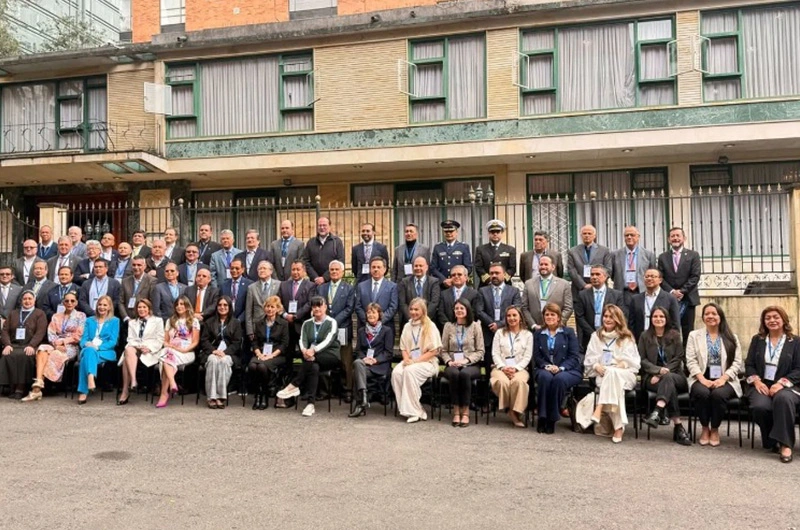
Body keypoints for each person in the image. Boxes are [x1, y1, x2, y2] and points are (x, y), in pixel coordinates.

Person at [744, 306, 800, 463]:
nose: (772, 320)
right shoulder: (758, 340)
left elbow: (798, 368)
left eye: (776, 317)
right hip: (761, 383)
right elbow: (749, 364)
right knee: (760, 406)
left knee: (783, 400)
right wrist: (756, 380)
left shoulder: (795, 341)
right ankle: (771, 440)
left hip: (788, 384)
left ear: (783, 320)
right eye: (768, 318)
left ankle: (785, 445)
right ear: (763, 321)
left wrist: (782, 383)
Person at [685, 303, 743, 447]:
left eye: (714, 313)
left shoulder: (731, 337)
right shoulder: (694, 335)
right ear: (703, 317)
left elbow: (737, 362)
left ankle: (715, 429)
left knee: (718, 395)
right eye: (707, 314)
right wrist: (702, 379)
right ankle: (705, 428)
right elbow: (690, 360)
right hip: (701, 376)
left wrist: (724, 378)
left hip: (725, 379)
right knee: (702, 393)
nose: (710, 316)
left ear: (720, 316)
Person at [581, 304, 640, 443]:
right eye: (605, 316)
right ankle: (619, 428)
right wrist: (596, 365)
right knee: (613, 382)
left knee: (613, 373)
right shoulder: (596, 336)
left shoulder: (626, 336)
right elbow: (589, 359)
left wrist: (621, 364)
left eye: (611, 317)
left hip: (625, 374)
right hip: (603, 375)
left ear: (618, 319)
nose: (607, 319)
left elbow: (634, 362)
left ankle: (600, 406)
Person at [276, 296, 340, 418]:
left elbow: (329, 340)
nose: (317, 309)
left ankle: (294, 384)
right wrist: (304, 350)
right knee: (313, 367)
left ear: (325, 307)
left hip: (330, 355)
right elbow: (302, 340)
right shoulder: (307, 323)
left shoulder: (332, 322)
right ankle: (310, 404)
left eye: (319, 306)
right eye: (314, 306)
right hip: (311, 357)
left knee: (312, 361)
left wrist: (313, 351)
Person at [639, 306, 691, 446]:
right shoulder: (645, 336)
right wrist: (657, 371)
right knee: (669, 385)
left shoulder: (675, 335)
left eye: (661, 316)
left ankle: (657, 411)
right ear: (651, 319)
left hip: (675, 375)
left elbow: (679, 357)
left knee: (668, 379)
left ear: (666, 319)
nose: (658, 319)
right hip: (652, 377)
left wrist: (663, 372)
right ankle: (678, 427)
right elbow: (642, 360)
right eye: (655, 316)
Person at [21, 292, 86, 402]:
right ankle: (39, 383)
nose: (69, 303)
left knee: (55, 354)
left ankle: (36, 390)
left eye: (72, 301)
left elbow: (79, 335)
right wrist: (56, 343)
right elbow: (51, 332)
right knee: (42, 349)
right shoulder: (56, 316)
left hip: (71, 346)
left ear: (76, 303)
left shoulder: (81, 316)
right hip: (55, 344)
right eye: (66, 301)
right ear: (63, 303)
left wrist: (63, 342)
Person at [533, 303, 582, 434]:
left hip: (568, 370)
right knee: (545, 377)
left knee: (559, 379)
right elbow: (536, 356)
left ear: (559, 317)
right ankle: (542, 417)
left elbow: (574, 356)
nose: (549, 317)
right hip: (545, 368)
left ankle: (552, 418)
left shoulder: (568, 333)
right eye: (547, 314)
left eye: (552, 314)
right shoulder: (538, 333)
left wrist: (561, 367)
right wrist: (546, 366)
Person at [392, 297, 442, 423]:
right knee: (396, 373)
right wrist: (406, 359)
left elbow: (434, 351)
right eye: (411, 309)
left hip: (427, 362)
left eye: (416, 309)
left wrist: (415, 361)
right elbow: (403, 347)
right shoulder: (407, 326)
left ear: (423, 311)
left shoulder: (430, 326)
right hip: (410, 361)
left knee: (409, 371)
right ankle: (405, 409)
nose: (413, 312)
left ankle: (415, 411)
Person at [150, 296, 200, 408]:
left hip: (186, 352)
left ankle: (164, 393)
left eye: (182, 304)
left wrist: (184, 349)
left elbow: (195, 341)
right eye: (177, 304)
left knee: (165, 358)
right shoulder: (170, 320)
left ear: (187, 306)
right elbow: (165, 341)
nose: (179, 306)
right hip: (171, 351)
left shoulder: (194, 321)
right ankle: (172, 384)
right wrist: (172, 347)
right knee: (167, 355)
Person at [440, 299, 484, 427]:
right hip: (452, 363)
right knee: (454, 374)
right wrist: (448, 361)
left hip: (471, 364)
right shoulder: (448, 326)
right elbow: (443, 349)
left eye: (462, 308)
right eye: (456, 308)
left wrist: (467, 360)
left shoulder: (475, 326)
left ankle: (465, 411)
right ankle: (456, 411)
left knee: (464, 374)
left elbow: (480, 350)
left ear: (467, 310)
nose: (459, 310)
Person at [317, 260, 355, 401]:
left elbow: (349, 308)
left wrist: (334, 321)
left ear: (342, 272)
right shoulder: (321, 288)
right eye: (331, 269)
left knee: (345, 360)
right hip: (324, 329)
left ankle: (347, 390)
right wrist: (327, 322)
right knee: (324, 357)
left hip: (342, 328)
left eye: (336, 270)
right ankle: (325, 390)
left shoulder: (349, 288)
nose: (334, 272)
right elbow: (317, 307)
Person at [490, 305, 533, 428]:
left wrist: (516, 368)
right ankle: (512, 412)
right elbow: (495, 353)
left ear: (520, 318)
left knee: (519, 382)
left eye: (514, 315)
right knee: (502, 382)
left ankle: (514, 411)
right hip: (500, 367)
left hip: (520, 368)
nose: (511, 318)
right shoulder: (499, 333)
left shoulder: (528, 335)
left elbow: (527, 356)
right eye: (509, 316)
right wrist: (503, 367)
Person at [0, 291, 48, 399]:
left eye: (30, 299)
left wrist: (32, 345)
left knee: (24, 355)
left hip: (29, 345)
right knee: (8, 355)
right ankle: (11, 387)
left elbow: (40, 332)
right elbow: (5, 331)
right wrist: (7, 344)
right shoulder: (13, 313)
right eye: (25, 299)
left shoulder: (40, 314)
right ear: (21, 301)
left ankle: (20, 388)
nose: (27, 301)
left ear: (34, 300)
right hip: (14, 344)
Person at [349, 303, 394, 418]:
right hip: (365, 364)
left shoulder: (387, 330)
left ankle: (360, 402)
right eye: (368, 312)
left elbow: (388, 353)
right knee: (358, 362)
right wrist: (364, 358)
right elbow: (358, 350)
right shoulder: (361, 331)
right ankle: (363, 397)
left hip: (380, 366)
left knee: (357, 370)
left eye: (373, 312)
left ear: (379, 315)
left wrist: (375, 360)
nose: (370, 315)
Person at [199, 296, 244, 409]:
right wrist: (213, 351)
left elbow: (237, 342)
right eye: (220, 305)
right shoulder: (209, 322)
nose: (222, 307)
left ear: (229, 307)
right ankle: (211, 397)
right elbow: (204, 340)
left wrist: (226, 352)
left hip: (229, 354)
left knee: (224, 362)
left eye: (225, 305)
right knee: (213, 361)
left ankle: (221, 397)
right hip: (211, 352)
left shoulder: (236, 323)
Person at [658, 227, 701, 345]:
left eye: (678, 235)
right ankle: (673, 360)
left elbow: (695, 276)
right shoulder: (663, 257)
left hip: (688, 299)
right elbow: (660, 278)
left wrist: (681, 291)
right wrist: (672, 292)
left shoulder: (693, 255)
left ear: (684, 238)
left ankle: (687, 361)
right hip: (669, 299)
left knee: (688, 332)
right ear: (668, 239)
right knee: (670, 331)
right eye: (672, 236)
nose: (675, 238)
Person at [118, 299, 165, 405]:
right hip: (135, 348)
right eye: (139, 307)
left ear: (149, 309)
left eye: (144, 307)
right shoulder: (132, 323)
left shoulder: (157, 321)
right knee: (129, 349)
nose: (141, 309)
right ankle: (133, 380)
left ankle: (126, 391)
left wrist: (149, 348)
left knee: (126, 358)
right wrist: (138, 347)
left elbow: (160, 339)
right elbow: (130, 339)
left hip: (150, 350)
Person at [76, 295, 120, 404]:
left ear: (109, 307)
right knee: (89, 351)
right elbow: (83, 340)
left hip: (106, 352)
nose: (102, 307)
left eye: (105, 305)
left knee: (86, 357)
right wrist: (87, 344)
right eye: (100, 304)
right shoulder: (89, 320)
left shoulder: (115, 321)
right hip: (89, 349)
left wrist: (98, 347)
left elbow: (113, 342)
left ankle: (83, 391)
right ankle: (91, 378)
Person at [248, 296, 290, 410]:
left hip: (277, 355)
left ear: (277, 309)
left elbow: (284, 344)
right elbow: (255, 341)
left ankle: (264, 395)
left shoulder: (283, 323)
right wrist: (259, 354)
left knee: (262, 367)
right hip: (261, 353)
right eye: (267, 306)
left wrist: (271, 355)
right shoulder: (259, 323)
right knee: (252, 366)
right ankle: (258, 394)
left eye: (272, 307)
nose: (269, 309)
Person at [574, 265, 626, 352]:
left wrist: (608, 332)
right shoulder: (582, 295)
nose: (594, 277)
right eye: (592, 274)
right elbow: (579, 316)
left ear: (605, 277)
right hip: (589, 336)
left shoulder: (616, 295)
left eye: (598, 274)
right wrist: (593, 333)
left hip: (611, 336)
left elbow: (620, 315)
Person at [477, 263, 520, 366]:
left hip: (507, 331)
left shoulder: (514, 291)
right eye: (491, 273)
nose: (494, 275)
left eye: (497, 273)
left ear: (504, 274)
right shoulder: (482, 291)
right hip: (488, 332)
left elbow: (517, 310)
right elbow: (479, 310)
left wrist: (500, 324)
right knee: (489, 364)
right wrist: (492, 324)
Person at [629, 268, 681, 341]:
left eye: (653, 276)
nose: (649, 279)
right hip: (640, 341)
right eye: (647, 277)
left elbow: (675, 324)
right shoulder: (635, 299)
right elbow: (631, 324)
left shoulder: (670, 299)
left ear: (660, 280)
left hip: (663, 342)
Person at [521, 255, 571, 330]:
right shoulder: (529, 283)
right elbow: (524, 307)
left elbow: (568, 307)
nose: (543, 267)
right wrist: (533, 325)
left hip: (557, 329)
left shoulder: (564, 284)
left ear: (553, 267)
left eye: (546, 264)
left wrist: (557, 323)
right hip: (535, 328)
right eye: (541, 264)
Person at [612, 226, 657, 307]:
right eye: (627, 235)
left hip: (641, 291)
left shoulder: (648, 255)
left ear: (638, 237)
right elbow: (612, 275)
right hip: (622, 292)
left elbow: (653, 274)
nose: (629, 237)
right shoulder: (615, 255)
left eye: (632, 235)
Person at [566, 225, 613, 298]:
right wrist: (583, 285)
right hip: (579, 289)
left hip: (599, 289)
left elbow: (608, 269)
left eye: (589, 233)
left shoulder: (604, 251)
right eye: (584, 233)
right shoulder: (573, 251)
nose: (587, 236)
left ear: (594, 236)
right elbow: (572, 270)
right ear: (581, 235)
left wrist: (595, 283)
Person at [354, 256, 397, 329]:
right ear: (370, 269)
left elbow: (393, 307)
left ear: (384, 269)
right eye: (373, 267)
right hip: (365, 328)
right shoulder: (361, 286)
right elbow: (358, 306)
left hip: (385, 327)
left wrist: (378, 321)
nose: (376, 269)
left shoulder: (392, 286)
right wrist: (369, 321)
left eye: (378, 267)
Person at [398, 255, 440, 329]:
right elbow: (402, 303)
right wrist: (412, 319)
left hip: (428, 323)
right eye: (416, 266)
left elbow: (434, 303)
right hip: (409, 323)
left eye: (421, 266)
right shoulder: (404, 282)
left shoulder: (434, 282)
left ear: (426, 267)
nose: (418, 268)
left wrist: (424, 319)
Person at [303, 217, 345, 287]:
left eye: (324, 225)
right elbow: (306, 261)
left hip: (331, 281)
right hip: (314, 282)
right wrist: (315, 277)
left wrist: (324, 278)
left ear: (329, 226)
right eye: (320, 225)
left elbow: (340, 261)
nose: (322, 227)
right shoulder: (311, 242)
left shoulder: (337, 242)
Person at [245, 260, 281, 341]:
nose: (261, 270)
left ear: (271, 271)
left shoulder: (279, 285)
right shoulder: (251, 287)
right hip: (257, 326)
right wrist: (250, 331)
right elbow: (248, 311)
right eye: (259, 269)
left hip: (274, 326)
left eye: (264, 268)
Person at [437, 265, 482, 329]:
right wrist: (449, 327)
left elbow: (474, 313)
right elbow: (441, 313)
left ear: (466, 277)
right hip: (448, 330)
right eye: (453, 275)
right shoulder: (443, 294)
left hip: (467, 330)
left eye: (459, 274)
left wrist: (464, 325)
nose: (456, 276)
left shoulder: (474, 294)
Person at [474, 219, 516, 287]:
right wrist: (489, 279)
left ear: (502, 233)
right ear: (489, 233)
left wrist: (502, 279)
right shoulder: (481, 249)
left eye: (497, 232)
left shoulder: (510, 249)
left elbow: (512, 268)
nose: (495, 234)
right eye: (492, 232)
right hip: (486, 285)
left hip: (504, 284)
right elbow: (479, 267)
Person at [431, 220, 472, 287]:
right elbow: (433, 268)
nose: (449, 234)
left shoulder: (463, 247)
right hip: (442, 285)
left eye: (451, 231)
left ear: (456, 232)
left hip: (459, 284)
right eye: (446, 232)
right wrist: (444, 280)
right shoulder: (438, 247)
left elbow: (468, 267)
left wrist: (454, 279)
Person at [117, 256, 155, 322]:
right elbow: (121, 302)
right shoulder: (125, 281)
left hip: (145, 320)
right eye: (134, 265)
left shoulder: (151, 281)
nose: (136, 267)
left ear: (145, 266)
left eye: (139, 265)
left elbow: (153, 301)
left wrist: (146, 317)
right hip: (128, 320)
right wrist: (126, 317)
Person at [221, 259, 252, 324]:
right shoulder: (224, 285)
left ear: (243, 269)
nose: (234, 270)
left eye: (237, 268)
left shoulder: (249, 285)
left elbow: (249, 307)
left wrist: (239, 320)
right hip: (227, 322)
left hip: (243, 323)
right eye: (232, 268)